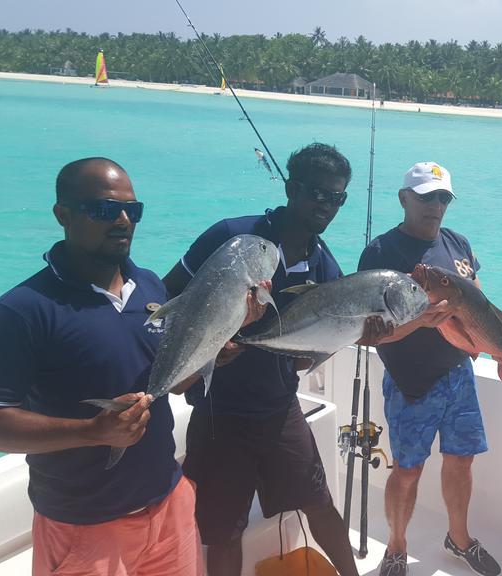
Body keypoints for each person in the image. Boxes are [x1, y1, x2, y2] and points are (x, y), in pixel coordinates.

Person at [0, 157, 203, 576]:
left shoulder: (149, 285)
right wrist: (93, 431)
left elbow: (176, 381)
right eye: (104, 210)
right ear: (63, 215)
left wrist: (224, 334)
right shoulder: (18, 312)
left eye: (134, 210)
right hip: (85, 527)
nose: (124, 220)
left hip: (168, 504)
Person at [162, 143, 387, 576]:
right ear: (291, 188)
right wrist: (205, 347)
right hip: (218, 410)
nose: (327, 205)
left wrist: (360, 332)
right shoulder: (233, 238)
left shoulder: (325, 268)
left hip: (279, 407)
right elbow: (169, 294)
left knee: (319, 504)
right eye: (318, 193)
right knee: (223, 531)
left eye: (337, 197)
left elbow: (304, 360)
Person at [358, 162, 501, 576]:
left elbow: (479, 305)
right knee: (407, 470)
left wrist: (491, 342)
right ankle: (397, 548)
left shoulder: (458, 244)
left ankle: (458, 538)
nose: (435, 205)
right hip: (410, 384)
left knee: (462, 460)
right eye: (425, 196)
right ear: (404, 198)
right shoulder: (381, 252)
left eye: (443, 197)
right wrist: (419, 321)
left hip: (459, 375)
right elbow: (369, 333)